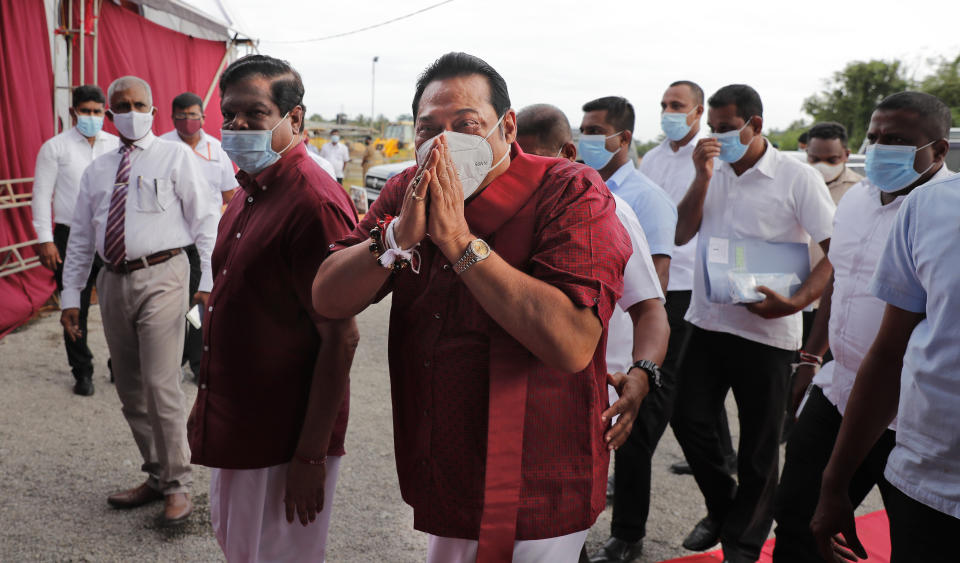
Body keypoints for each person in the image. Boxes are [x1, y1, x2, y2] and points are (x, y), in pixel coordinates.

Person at [313, 52, 638, 562]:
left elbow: (572, 343)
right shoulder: (406, 190)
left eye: (466, 125)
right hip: (442, 463)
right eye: (428, 130)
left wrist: (462, 245)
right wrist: (395, 239)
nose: (444, 144)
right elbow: (328, 297)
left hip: (538, 475)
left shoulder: (570, 189)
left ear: (507, 127)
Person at [186, 54, 359, 562]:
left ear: (295, 119)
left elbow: (340, 337)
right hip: (240, 421)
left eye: (255, 114)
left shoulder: (314, 202)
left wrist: (309, 455)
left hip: (283, 439)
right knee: (240, 549)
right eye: (229, 115)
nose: (238, 126)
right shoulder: (249, 191)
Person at [775, 92, 954, 562]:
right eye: (873, 138)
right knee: (797, 514)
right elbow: (839, 279)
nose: (879, 148)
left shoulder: (945, 217)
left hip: (907, 414)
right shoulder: (855, 200)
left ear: (938, 151)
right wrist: (812, 357)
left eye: (896, 140)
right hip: (839, 387)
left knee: (917, 538)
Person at [672, 84, 836, 563]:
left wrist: (795, 303)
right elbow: (682, 233)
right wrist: (702, 177)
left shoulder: (795, 177)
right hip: (707, 322)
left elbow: (835, 250)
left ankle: (741, 546)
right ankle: (726, 508)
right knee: (688, 421)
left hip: (768, 333)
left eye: (727, 129)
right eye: (713, 129)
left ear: (755, 125)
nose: (718, 138)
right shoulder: (711, 170)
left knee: (761, 448)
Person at [516, 103, 671, 563]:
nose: (525, 175)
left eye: (536, 161)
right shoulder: (500, 206)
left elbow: (651, 310)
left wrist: (642, 376)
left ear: (566, 153)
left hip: (589, 396)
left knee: (559, 527)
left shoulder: (608, 209)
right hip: (519, 402)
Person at [60, 75, 218, 525]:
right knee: (129, 387)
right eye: (122, 105)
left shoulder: (176, 157)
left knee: (161, 382)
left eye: (140, 104)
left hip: (164, 274)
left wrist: (207, 279)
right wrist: (71, 295)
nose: (132, 111)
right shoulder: (97, 170)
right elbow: (81, 240)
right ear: (110, 113)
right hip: (113, 281)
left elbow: (206, 221)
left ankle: (178, 484)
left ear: (153, 109)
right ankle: (156, 473)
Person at [638, 80, 738, 480]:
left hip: (690, 279)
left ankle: (637, 457)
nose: (668, 112)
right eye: (663, 104)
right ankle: (721, 454)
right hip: (655, 274)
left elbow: (685, 226)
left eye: (677, 105)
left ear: (698, 112)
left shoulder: (715, 154)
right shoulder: (653, 157)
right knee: (693, 379)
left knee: (666, 379)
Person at [31, 84, 119, 396]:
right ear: (73, 112)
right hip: (69, 235)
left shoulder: (117, 145)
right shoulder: (55, 148)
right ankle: (82, 371)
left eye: (97, 112)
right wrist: (45, 239)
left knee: (117, 304)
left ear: (105, 113)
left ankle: (118, 365)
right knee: (74, 305)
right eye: (86, 111)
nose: (92, 117)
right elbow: (41, 195)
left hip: (110, 233)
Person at [159, 91, 238, 382]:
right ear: (172, 117)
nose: (188, 120)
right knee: (165, 303)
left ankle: (195, 360)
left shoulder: (216, 149)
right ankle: (163, 357)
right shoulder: (161, 147)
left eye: (193, 115)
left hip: (207, 241)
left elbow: (231, 194)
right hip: (170, 240)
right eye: (181, 115)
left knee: (199, 303)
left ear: (204, 117)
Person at [579, 96, 676, 294]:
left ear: (624, 139)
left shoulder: (649, 198)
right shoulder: (581, 188)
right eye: (583, 132)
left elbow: (658, 276)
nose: (586, 139)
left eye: (595, 131)